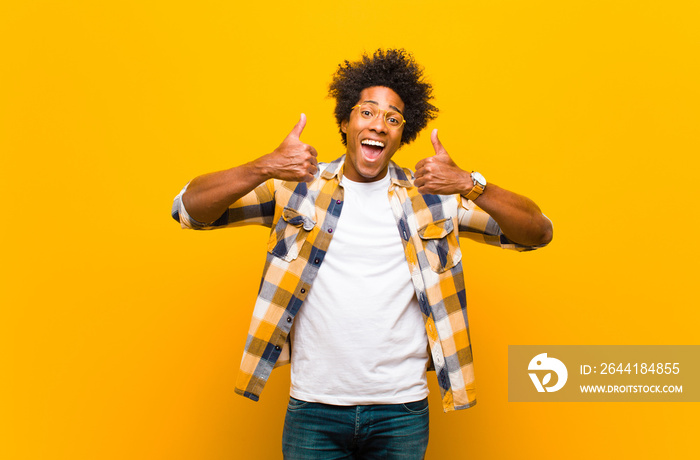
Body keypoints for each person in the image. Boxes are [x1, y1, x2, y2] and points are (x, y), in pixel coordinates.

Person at [171, 48, 552, 459]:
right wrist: (263, 167)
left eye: (393, 119)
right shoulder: (296, 188)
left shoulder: (434, 198)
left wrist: (469, 184)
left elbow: (537, 232)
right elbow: (188, 210)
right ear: (345, 122)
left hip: (401, 411)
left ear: (401, 135)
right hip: (313, 409)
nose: (379, 125)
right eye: (368, 112)